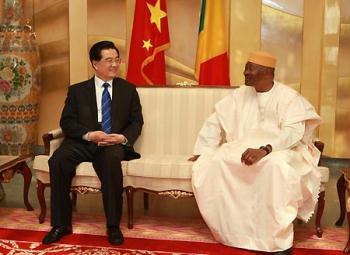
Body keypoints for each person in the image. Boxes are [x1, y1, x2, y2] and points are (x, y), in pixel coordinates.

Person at [189, 51, 321, 255]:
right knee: (217, 161)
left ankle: (277, 241)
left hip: (283, 149)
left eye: (251, 68)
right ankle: (235, 234)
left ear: (268, 72)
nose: (245, 72)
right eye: (246, 67)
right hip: (243, 145)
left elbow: (292, 133)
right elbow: (215, 121)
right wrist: (204, 151)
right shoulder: (241, 94)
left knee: (275, 167)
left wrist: (265, 149)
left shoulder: (288, 97)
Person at [42, 41, 143, 245]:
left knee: (111, 163)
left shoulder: (128, 89)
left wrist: (122, 138)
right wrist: (89, 135)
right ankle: (61, 224)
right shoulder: (78, 91)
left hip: (111, 143)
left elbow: (136, 121)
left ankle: (113, 226)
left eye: (117, 59)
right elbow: (67, 122)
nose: (115, 64)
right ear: (95, 64)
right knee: (58, 161)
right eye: (109, 60)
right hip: (83, 141)